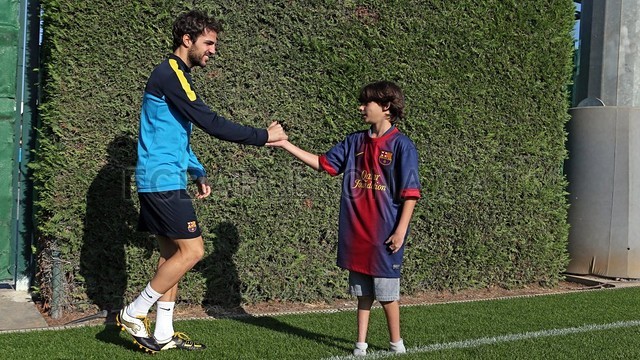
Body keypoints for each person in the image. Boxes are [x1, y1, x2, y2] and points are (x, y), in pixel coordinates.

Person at [116, 10, 287, 353]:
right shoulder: (169, 73)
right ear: (187, 40)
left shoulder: (177, 77)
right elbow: (210, 122)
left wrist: (197, 170)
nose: (213, 50)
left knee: (171, 257)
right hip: (161, 180)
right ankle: (133, 312)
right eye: (209, 43)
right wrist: (262, 136)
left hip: (164, 177)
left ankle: (163, 333)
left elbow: (175, 133)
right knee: (194, 251)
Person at [270, 81, 421, 356]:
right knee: (363, 293)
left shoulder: (402, 146)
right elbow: (323, 164)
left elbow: (410, 194)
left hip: (385, 234)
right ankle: (360, 345)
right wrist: (284, 144)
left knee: (387, 294)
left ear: (386, 107)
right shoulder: (354, 142)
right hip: (356, 233)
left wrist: (400, 231)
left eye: (367, 103)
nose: (361, 108)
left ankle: (396, 344)